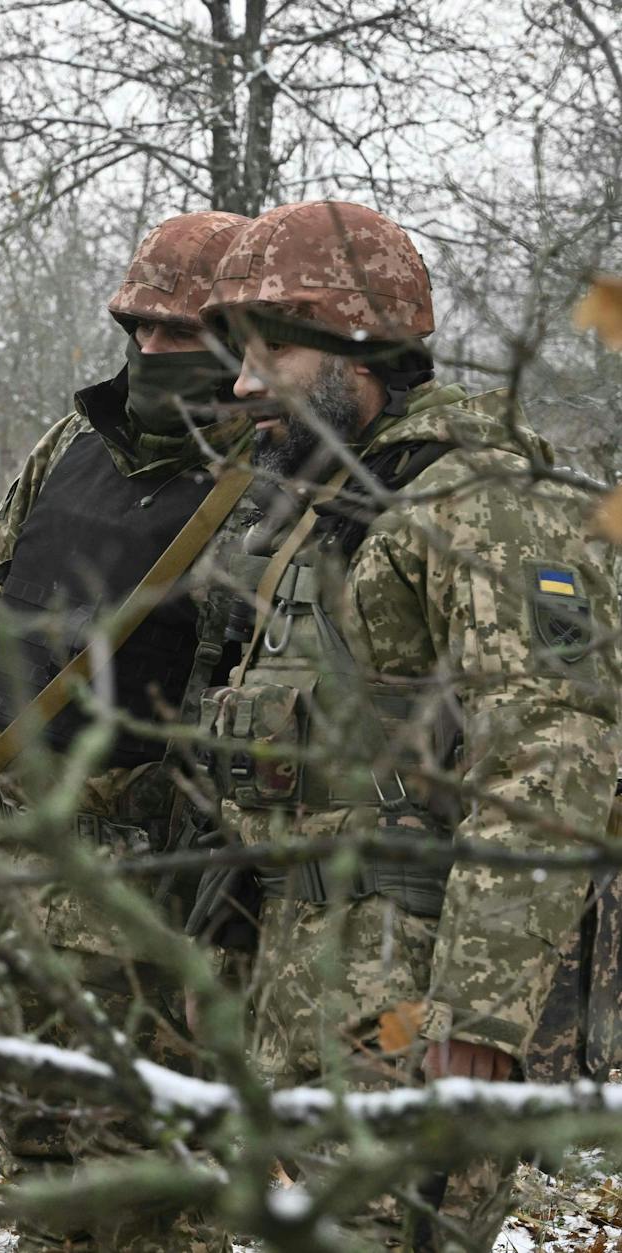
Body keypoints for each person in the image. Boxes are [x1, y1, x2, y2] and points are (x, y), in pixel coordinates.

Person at [195, 200, 622, 1249]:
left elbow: (553, 747)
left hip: (413, 1004)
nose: (243, 384)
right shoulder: (333, 496)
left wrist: (475, 1018)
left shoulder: (478, 499)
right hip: (315, 978)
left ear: (361, 347)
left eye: (270, 352)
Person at [0, 211, 251, 1250]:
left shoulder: (274, 476)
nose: (150, 349)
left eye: (179, 333)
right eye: (136, 327)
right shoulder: (69, 444)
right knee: (35, 1138)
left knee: (152, 1178)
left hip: (153, 881)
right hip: (19, 850)